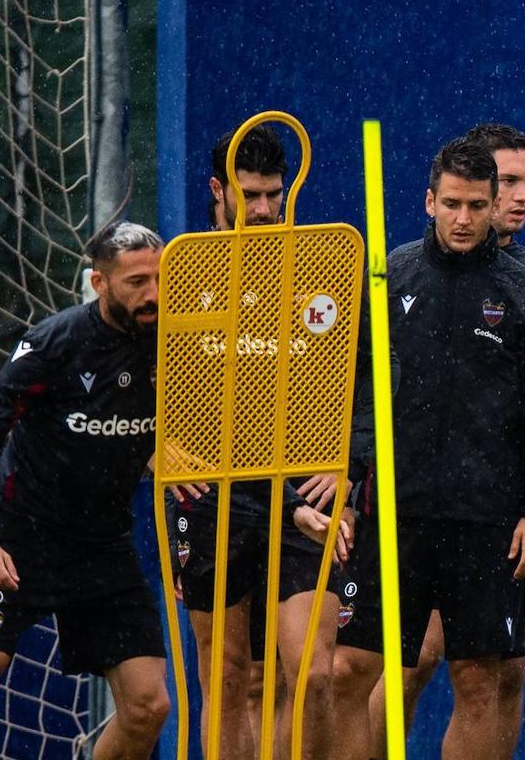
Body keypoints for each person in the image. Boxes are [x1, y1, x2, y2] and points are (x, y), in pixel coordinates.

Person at [331, 137, 525, 760]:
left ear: (495, 208)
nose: (464, 219)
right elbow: (361, 390)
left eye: (477, 205)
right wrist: (349, 486)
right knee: (350, 671)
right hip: (396, 512)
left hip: (486, 521)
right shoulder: (388, 274)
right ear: (429, 201)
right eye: (453, 204)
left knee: (478, 683)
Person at [0, 222, 170, 760]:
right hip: (20, 539)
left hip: (102, 546)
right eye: (137, 282)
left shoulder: (173, 343)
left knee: (149, 708)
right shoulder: (52, 345)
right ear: (99, 282)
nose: (152, 294)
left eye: (160, 279)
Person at [170, 123, 347, 759]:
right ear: (218, 192)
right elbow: (146, 394)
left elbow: (366, 383)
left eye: (275, 193)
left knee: (311, 674)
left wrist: (349, 467)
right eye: (250, 195)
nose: (267, 209)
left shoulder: (323, 267)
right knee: (228, 675)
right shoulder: (183, 271)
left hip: (306, 490)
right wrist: (157, 448)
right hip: (211, 499)